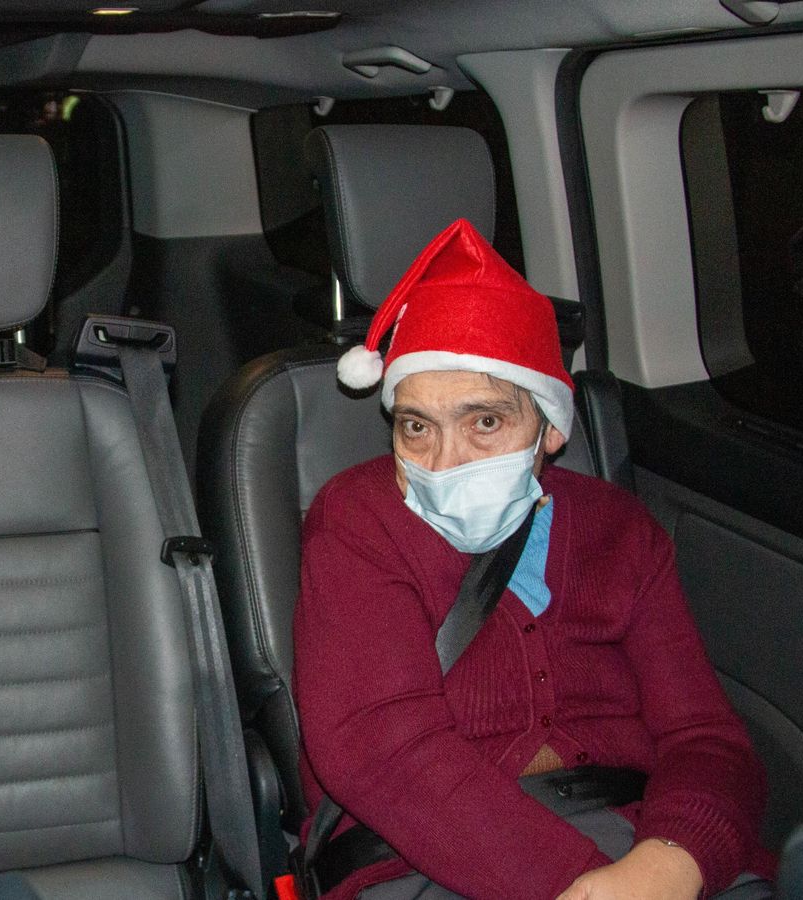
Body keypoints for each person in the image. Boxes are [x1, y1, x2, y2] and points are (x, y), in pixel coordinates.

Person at [295, 220, 773, 900]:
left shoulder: (620, 529)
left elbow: (705, 737)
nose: (443, 462)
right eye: (416, 426)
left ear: (550, 427)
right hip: (424, 855)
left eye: (484, 421)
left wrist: (672, 864)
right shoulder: (358, 519)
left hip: (644, 843)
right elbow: (379, 746)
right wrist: (574, 885)